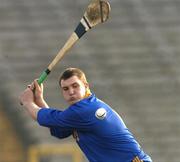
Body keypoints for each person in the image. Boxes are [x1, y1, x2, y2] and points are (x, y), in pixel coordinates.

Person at [19, 67, 152, 162]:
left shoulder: (85, 110)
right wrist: (39, 100)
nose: (71, 92)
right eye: (66, 89)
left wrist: (27, 102)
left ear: (86, 86)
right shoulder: (79, 114)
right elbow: (57, 129)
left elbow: (46, 118)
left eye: (75, 86)